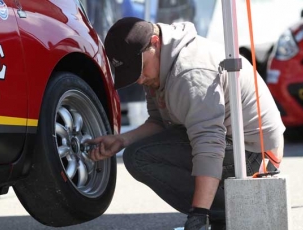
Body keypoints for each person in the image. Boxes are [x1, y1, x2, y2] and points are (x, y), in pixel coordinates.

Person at [86, 17, 285, 230]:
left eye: (139, 69)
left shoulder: (190, 74)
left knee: (141, 157)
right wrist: (122, 139)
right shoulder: (158, 66)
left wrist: (199, 215)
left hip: (256, 155)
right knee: (136, 152)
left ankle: (233, 213)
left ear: (154, 42)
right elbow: (160, 123)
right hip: (235, 144)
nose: (140, 79)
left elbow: (209, 144)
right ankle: (221, 211)